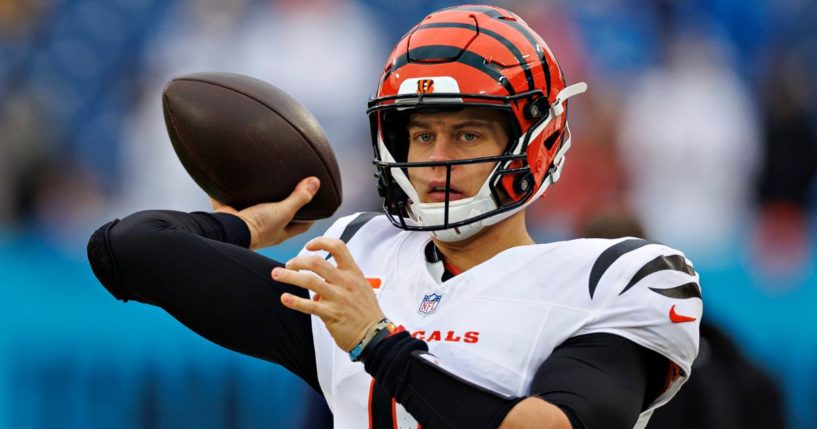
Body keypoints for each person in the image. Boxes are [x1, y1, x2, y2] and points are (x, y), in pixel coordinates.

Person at [87, 5, 701, 429]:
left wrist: (377, 343)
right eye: (422, 135)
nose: (437, 160)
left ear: (534, 140)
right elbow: (128, 249)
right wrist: (249, 227)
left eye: (466, 134)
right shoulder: (363, 259)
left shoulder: (614, 279)